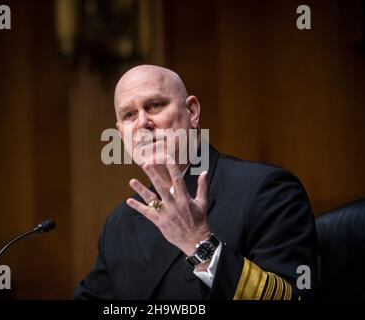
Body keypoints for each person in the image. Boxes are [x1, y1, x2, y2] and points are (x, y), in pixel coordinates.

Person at [72, 65, 318, 300]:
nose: (142, 123)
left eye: (155, 105)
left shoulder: (267, 190)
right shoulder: (120, 223)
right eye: (129, 115)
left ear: (192, 112)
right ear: (121, 134)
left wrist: (198, 242)